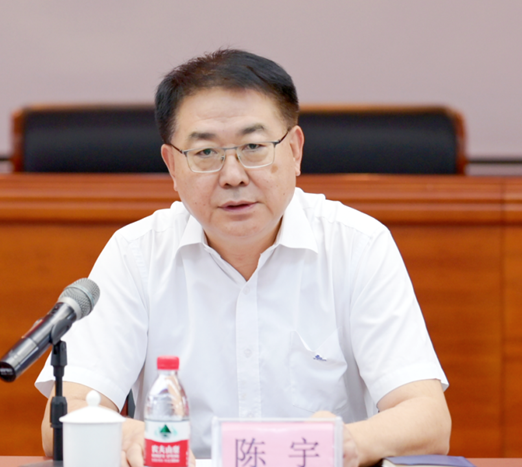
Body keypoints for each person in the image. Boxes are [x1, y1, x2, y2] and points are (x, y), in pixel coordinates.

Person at [36, 49, 451, 467]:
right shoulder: (135, 254)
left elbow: (428, 418)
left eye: (254, 147)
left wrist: (349, 443)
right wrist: (130, 437)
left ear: (295, 151)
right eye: (205, 153)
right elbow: (64, 416)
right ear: (172, 167)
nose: (233, 176)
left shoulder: (358, 245)